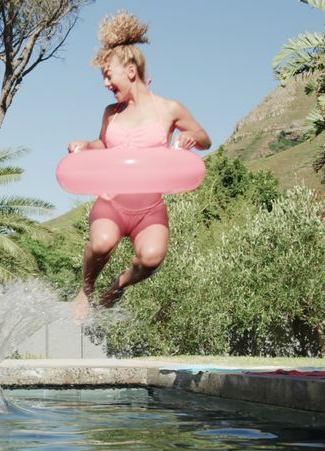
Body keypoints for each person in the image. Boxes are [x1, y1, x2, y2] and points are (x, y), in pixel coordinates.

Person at [68, 12, 211, 319]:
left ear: (130, 71)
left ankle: (117, 287)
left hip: (149, 208)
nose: (106, 83)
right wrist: (84, 145)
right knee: (102, 243)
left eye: (109, 75)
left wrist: (189, 138)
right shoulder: (111, 112)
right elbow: (103, 145)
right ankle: (87, 289)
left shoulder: (169, 109)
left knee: (151, 257)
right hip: (112, 202)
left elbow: (204, 138)